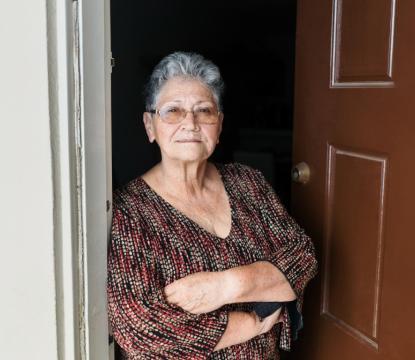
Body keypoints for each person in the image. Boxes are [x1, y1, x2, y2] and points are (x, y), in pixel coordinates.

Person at [107, 51, 318, 359]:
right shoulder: (131, 210)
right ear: (150, 126)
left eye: (204, 110)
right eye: (173, 111)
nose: (190, 123)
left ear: (218, 125)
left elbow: (302, 255)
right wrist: (253, 320)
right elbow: (141, 329)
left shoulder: (248, 182)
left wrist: (226, 286)